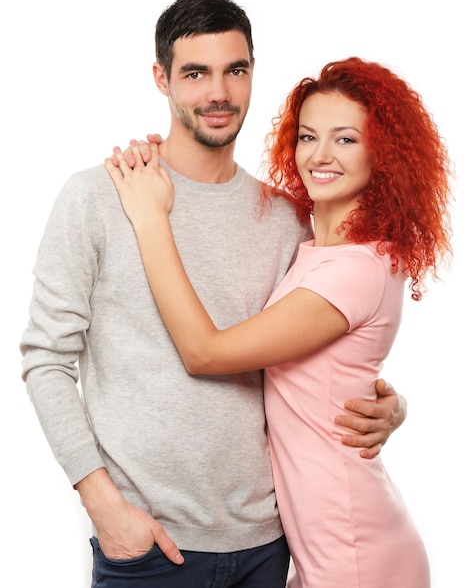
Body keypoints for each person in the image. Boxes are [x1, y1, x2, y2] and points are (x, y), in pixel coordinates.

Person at [20, 0, 405, 588]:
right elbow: (45, 358)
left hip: (268, 544)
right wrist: (102, 505)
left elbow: (310, 345)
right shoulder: (98, 197)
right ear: (161, 77)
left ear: (253, 73)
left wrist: (388, 403)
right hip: (150, 545)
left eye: (235, 70)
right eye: (195, 73)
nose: (218, 93)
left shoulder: (287, 219)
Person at [105, 56, 452, 588]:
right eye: (309, 136)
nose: (320, 155)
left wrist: (151, 218)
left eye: (345, 140)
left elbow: (207, 353)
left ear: (382, 154)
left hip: (354, 552)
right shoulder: (318, 247)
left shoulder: (355, 268)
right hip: (316, 550)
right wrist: (393, 405)